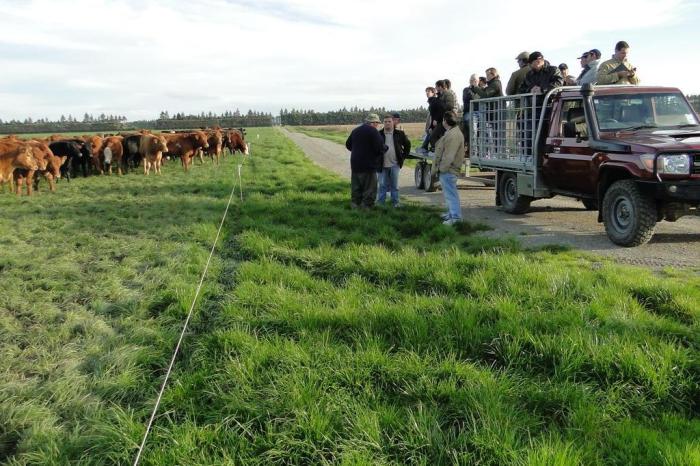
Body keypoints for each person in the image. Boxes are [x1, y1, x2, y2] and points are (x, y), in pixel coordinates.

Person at [345, 113, 385, 209]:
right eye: (377, 123)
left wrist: (357, 151)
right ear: (373, 122)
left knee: (356, 187)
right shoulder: (373, 131)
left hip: (355, 164)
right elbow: (379, 148)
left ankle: (355, 205)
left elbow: (348, 145)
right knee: (370, 188)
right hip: (368, 165)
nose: (378, 125)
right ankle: (366, 208)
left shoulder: (356, 130)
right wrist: (385, 148)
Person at [434, 111, 465, 225]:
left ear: (446, 121)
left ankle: (456, 218)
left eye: (443, 120)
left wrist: (442, 169)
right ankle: (451, 214)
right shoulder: (452, 132)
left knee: (451, 195)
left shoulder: (453, 135)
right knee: (449, 194)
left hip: (449, 170)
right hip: (449, 170)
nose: (442, 122)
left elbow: (449, 156)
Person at [378, 115, 411, 207]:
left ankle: (395, 203)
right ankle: (380, 203)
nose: (387, 123)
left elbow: (407, 145)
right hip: (382, 164)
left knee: (394, 186)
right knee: (382, 185)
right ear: (383, 123)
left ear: (393, 122)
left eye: (389, 121)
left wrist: (403, 157)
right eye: (385, 122)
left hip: (395, 164)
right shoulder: (378, 134)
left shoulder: (400, 134)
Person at [462, 74, 480, 144]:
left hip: (480, 112)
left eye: (475, 80)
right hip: (469, 112)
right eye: (472, 80)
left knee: (485, 129)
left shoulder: (480, 90)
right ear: (469, 81)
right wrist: (476, 92)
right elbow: (471, 98)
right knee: (473, 129)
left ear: (478, 81)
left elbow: (482, 98)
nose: (473, 81)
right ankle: (473, 150)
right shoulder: (466, 90)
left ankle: (484, 152)